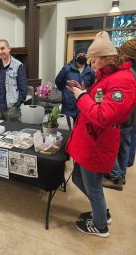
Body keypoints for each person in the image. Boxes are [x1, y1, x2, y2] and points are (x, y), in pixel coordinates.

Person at [65, 31, 136, 238]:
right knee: (78, 178)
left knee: (93, 185)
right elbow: (96, 101)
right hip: (88, 139)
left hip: (97, 142)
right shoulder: (106, 76)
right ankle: (101, 212)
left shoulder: (122, 81)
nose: (91, 64)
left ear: (105, 58)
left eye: (93, 59)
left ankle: (100, 225)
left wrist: (81, 96)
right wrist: (83, 92)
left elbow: (104, 116)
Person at [103, 38, 136, 191]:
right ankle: (121, 174)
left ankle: (115, 176)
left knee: (113, 146)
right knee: (125, 146)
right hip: (132, 118)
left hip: (123, 118)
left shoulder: (126, 74)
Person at [0, 39, 28, 121]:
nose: (0, 51)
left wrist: (15, 106)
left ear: (9, 49)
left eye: (2, 48)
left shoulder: (18, 66)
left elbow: (24, 90)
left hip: (11, 110)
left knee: (14, 133)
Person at [55, 50, 95, 125]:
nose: (83, 56)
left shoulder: (90, 71)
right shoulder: (67, 69)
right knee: (66, 130)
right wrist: (66, 92)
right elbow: (58, 81)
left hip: (83, 108)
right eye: (81, 54)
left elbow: (91, 86)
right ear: (76, 56)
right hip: (68, 107)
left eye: (84, 55)